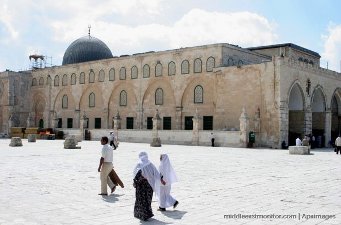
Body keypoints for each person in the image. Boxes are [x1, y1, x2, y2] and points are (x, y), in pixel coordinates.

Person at [133, 152, 163, 221]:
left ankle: (141, 214)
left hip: (141, 186)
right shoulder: (151, 164)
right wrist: (161, 179)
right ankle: (147, 213)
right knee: (147, 200)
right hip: (149, 186)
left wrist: (135, 182)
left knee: (140, 200)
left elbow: (135, 174)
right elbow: (156, 173)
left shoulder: (139, 164)